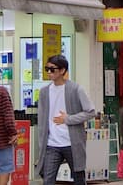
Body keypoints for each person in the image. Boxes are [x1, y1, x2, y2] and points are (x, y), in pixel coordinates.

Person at [35, 54, 97, 185]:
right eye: (47, 69)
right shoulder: (44, 92)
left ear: (62, 70)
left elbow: (91, 112)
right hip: (51, 144)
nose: (49, 72)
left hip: (72, 143)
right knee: (48, 180)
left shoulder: (75, 89)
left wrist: (68, 119)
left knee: (79, 179)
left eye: (52, 69)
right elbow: (41, 119)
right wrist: (42, 142)